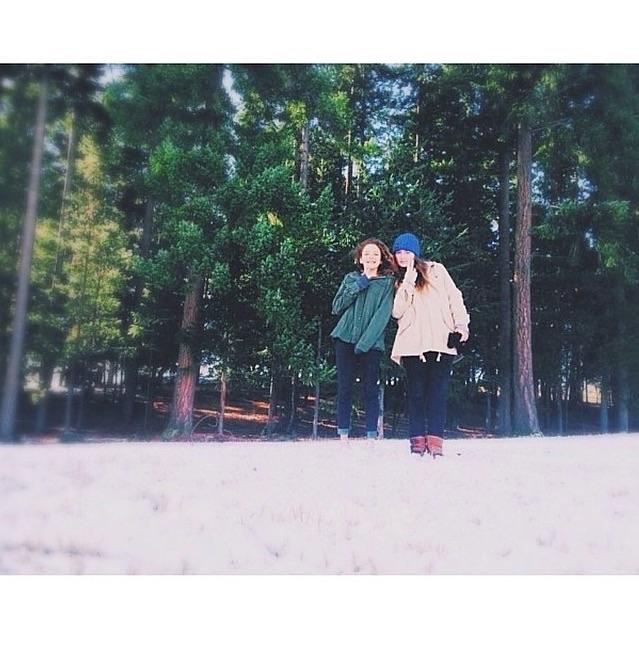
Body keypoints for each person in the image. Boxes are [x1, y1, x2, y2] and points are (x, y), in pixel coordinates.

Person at [390, 232, 470, 457]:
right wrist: (407, 281)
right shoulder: (396, 280)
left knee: (437, 393)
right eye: (398, 253)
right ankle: (417, 442)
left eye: (406, 252)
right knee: (415, 394)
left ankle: (435, 441)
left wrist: (461, 326)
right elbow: (397, 312)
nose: (402, 257)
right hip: (412, 345)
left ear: (415, 253)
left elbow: (455, 297)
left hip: (441, 342)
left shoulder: (437, 270)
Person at [330, 238, 395, 440]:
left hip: (371, 344)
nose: (371, 257)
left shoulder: (387, 283)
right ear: (360, 258)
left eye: (375, 254)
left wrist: (364, 344)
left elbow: (383, 316)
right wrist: (360, 284)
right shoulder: (351, 279)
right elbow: (337, 306)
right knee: (344, 387)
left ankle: (371, 436)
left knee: (370, 389)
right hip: (345, 339)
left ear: (382, 258)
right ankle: (343, 435)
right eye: (366, 254)